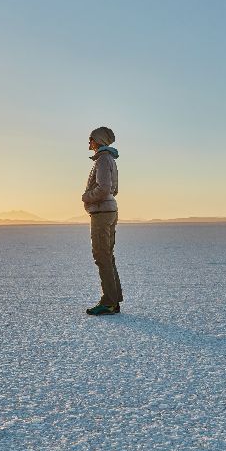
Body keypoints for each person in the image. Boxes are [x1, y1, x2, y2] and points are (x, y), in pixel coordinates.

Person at [82, 126, 122, 315]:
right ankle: (114, 299)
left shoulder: (104, 159)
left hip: (102, 213)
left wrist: (86, 196)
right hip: (108, 210)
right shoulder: (107, 159)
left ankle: (109, 302)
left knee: (102, 256)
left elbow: (105, 188)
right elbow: (114, 190)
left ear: (98, 140)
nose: (89, 142)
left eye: (91, 139)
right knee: (107, 255)